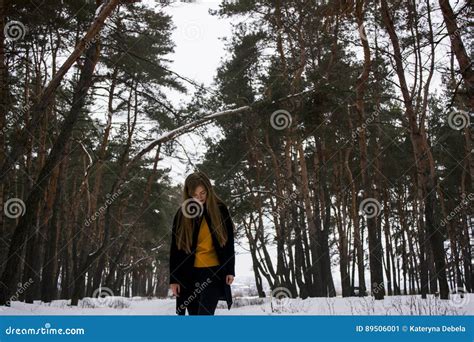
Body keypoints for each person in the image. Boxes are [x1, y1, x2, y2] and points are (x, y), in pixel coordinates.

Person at [169, 171, 235, 315]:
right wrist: (174, 279)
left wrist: (230, 269)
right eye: (195, 194)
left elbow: (229, 242)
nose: (199, 198)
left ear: (209, 190)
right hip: (189, 274)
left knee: (204, 314)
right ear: (188, 194)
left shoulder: (220, 210)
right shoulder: (182, 214)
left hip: (213, 273)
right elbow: (175, 249)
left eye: (203, 193)